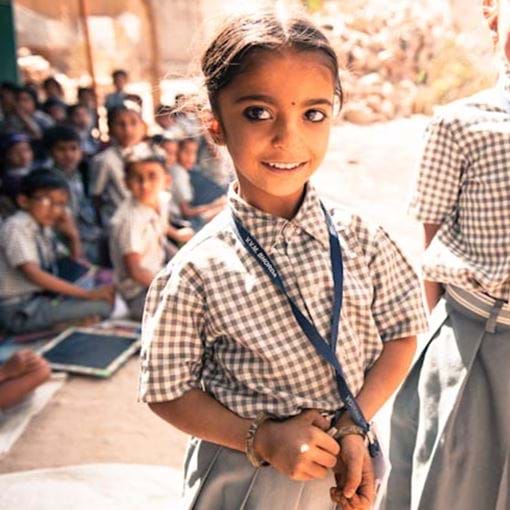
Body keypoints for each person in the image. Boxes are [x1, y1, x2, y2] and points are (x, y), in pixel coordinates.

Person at [139, 8, 428, 510]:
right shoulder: (196, 272)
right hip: (245, 478)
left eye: (312, 114)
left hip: (347, 464)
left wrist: (354, 424)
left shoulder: (364, 239)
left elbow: (401, 334)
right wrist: (261, 438)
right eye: (257, 112)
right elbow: (166, 390)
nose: (287, 138)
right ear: (215, 125)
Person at [382, 2, 510, 509]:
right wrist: (435, 351)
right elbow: (431, 240)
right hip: (475, 338)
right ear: (492, 16)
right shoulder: (460, 124)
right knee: (454, 487)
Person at [0, 169, 114, 334]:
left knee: (109, 286)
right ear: (23, 201)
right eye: (46, 201)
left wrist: (73, 236)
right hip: (19, 309)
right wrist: (86, 295)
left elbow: (75, 265)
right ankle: (58, 327)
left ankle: (64, 323)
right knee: (103, 307)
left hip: (41, 300)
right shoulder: (17, 226)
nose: (55, 210)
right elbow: (33, 273)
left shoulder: (42, 228)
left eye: (61, 204)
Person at [109, 142, 193, 320]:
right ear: (126, 183)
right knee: (184, 317)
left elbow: (160, 226)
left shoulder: (160, 199)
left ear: (166, 180)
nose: (145, 185)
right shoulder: (129, 220)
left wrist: (176, 235)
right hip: (139, 292)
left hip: (158, 269)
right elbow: (135, 271)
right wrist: (172, 290)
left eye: (152, 176)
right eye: (137, 178)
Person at [44, 126, 105, 265]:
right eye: (61, 149)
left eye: (73, 149)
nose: (68, 154)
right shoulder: (47, 180)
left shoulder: (82, 173)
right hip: (63, 243)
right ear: (50, 152)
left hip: (89, 238)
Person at [89, 101, 146, 226]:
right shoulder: (104, 160)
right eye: (120, 124)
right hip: (120, 224)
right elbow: (96, 197)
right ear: (110, 128)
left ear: (142, 126)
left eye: (133, 123)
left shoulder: (148, 154)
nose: (127, 130)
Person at [170, 137, 227, 230]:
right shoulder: (178, 173)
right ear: (177, 151)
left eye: (194, 153)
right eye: (186, 152)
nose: (190, 157)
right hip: (182, 223)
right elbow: (186, 211)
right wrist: (213, 205)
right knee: (224, 209)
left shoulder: (185, 171)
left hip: (187, 217)